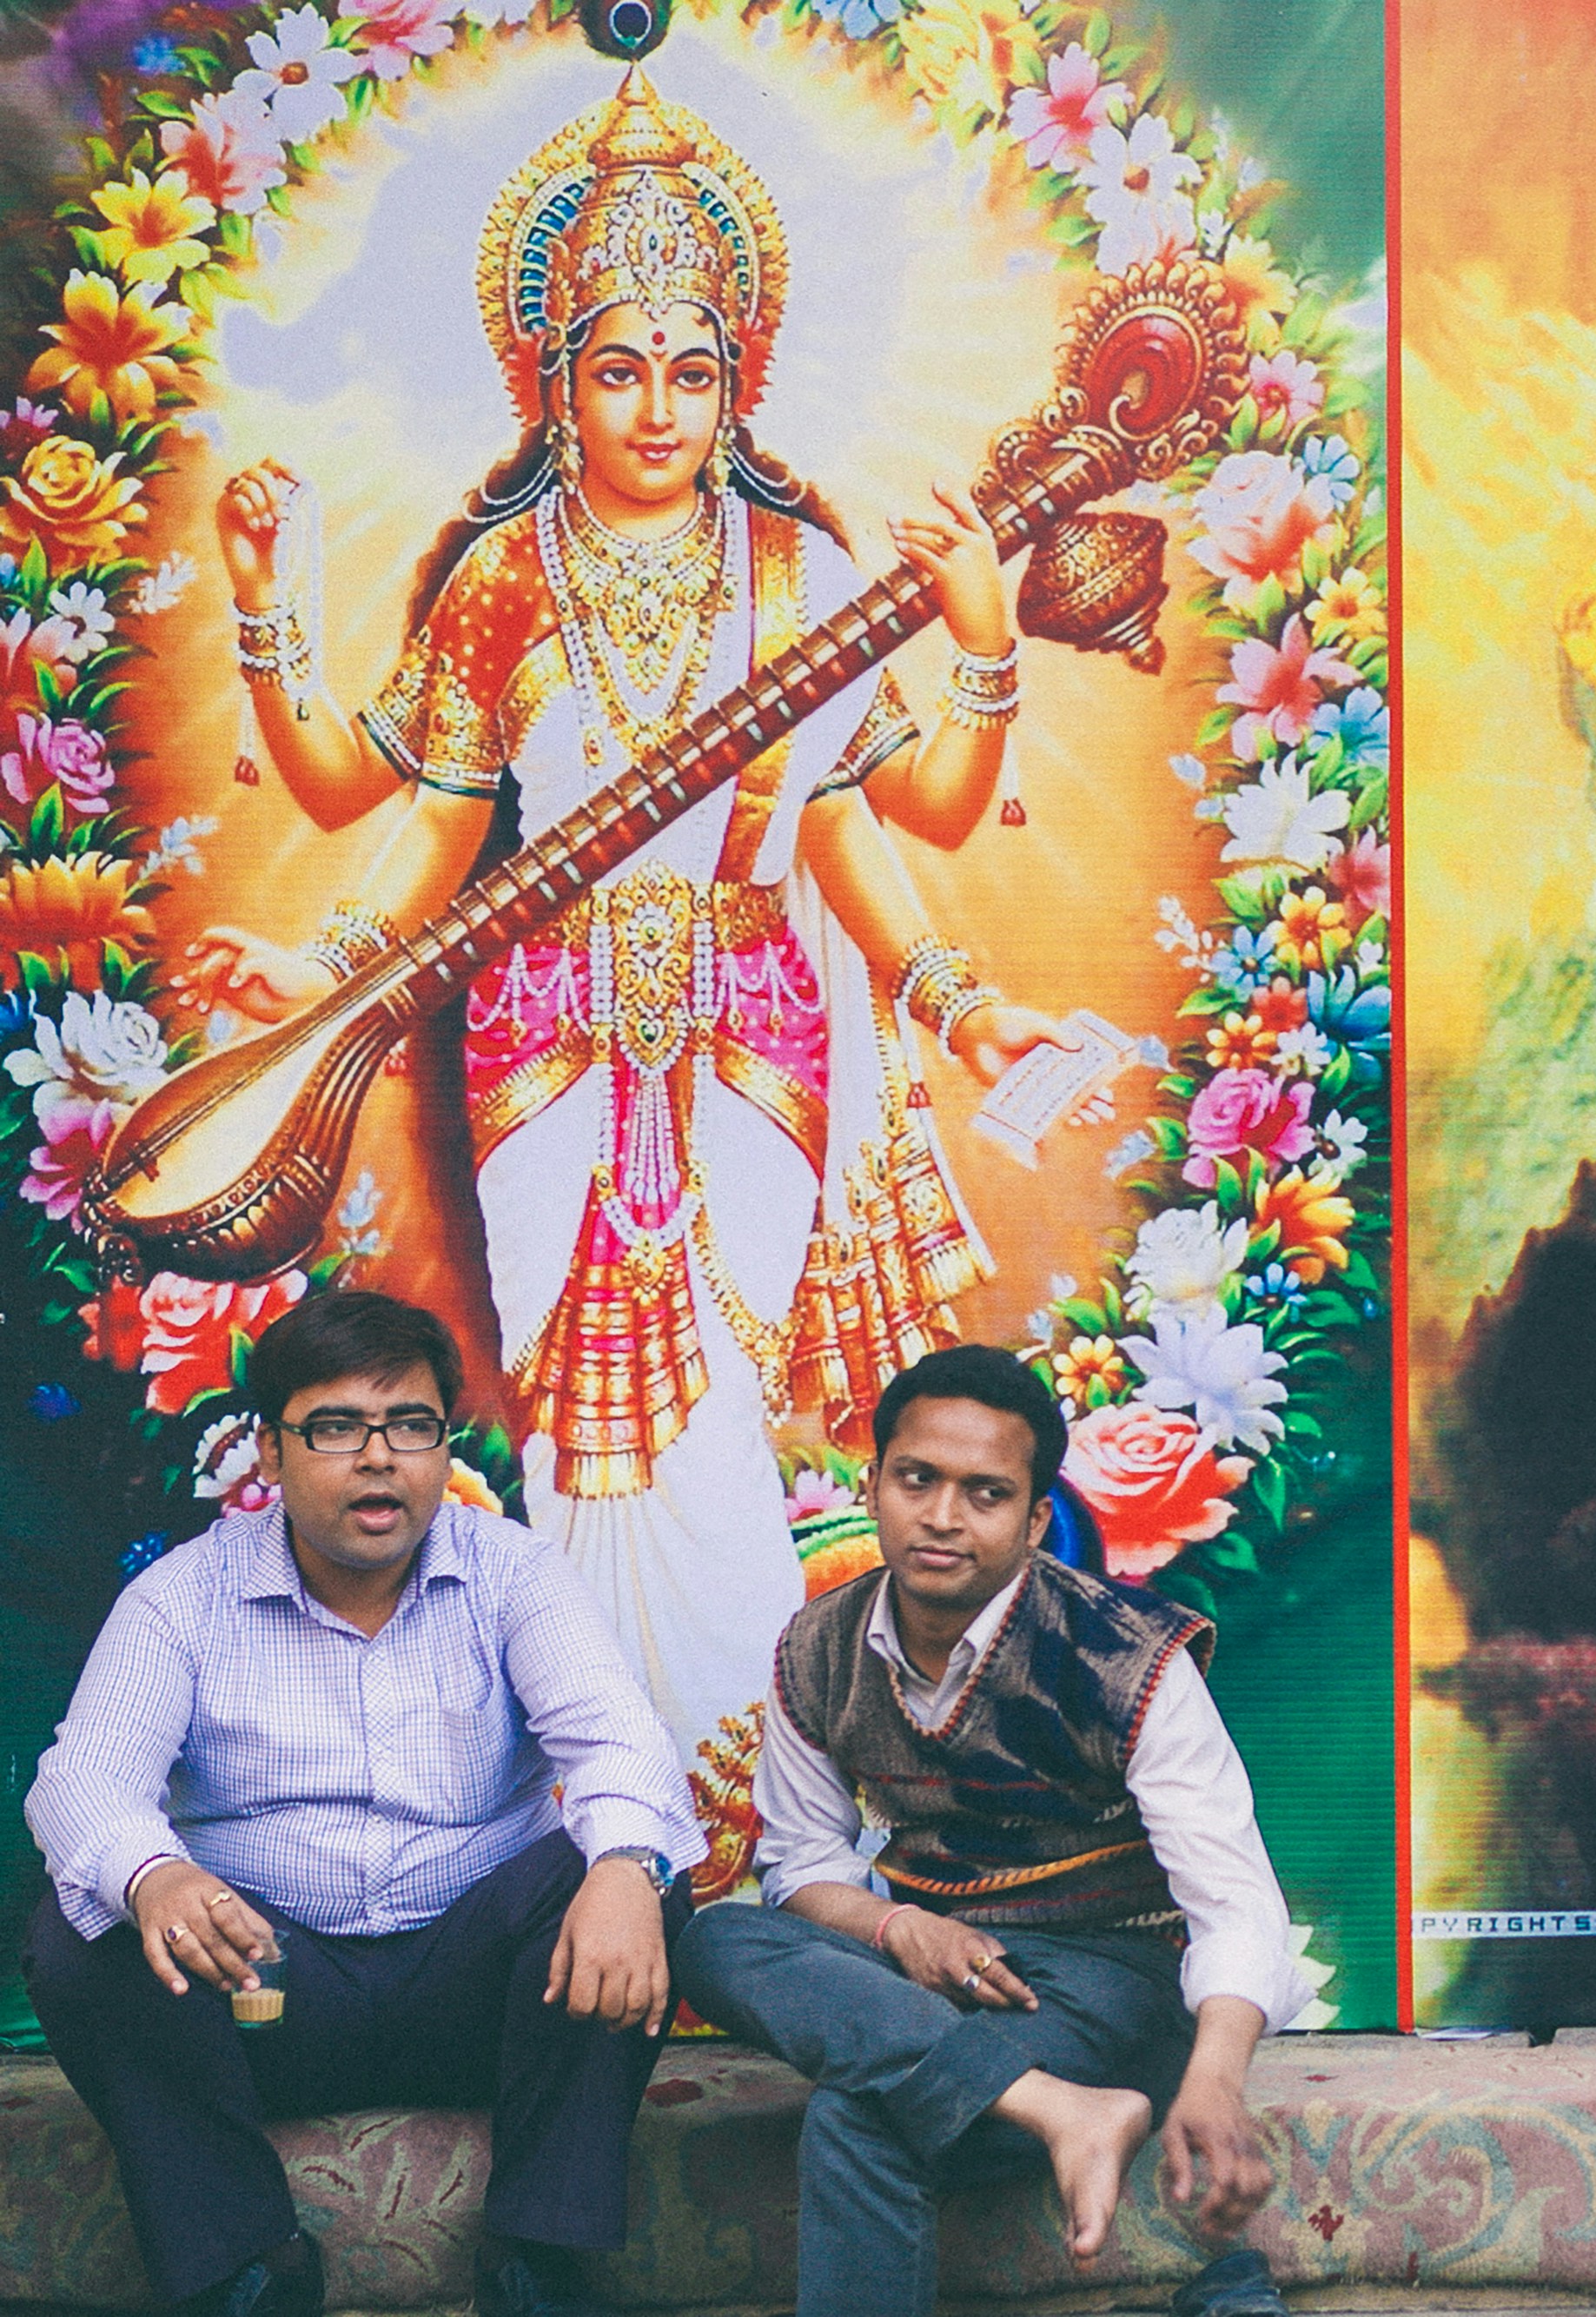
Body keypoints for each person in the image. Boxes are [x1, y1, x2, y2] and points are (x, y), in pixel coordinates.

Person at [175, 66, 1089, 1844]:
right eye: (615, 368)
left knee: (713, 1430)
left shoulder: (803, 571)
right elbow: (425, 817)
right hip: (543, 1042)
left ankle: (762, 1832)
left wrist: (984, 655)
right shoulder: (509, 576)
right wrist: (327, 977)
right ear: (552, 378)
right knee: (579, 1440)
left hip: (750, 1033)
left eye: (690, 369)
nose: (656, 408)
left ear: (732, 374)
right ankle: (609, 1820)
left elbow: (894, 820)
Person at [22, 1288, 705, 2317]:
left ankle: (537, 2262)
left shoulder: (511, 1572)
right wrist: (154, 1875)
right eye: (337, 1426)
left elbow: (620, 1742)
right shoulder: (180, 1598)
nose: (379, 1456)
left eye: (411, 1426)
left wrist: (622, 1870)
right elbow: (82, 1779)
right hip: (267, 1998)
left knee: (631, 1870)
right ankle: (245, 2269)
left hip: (478, 1997)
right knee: (85, 1924)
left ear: (441, 1445)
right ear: (271, 1448)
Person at [672, 1344, 1309, 2317]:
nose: (941, 1517)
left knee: (866, 2113)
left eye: (985, 1493)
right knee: (715, 1934)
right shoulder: (818, 1646)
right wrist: (899, 1931)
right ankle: (1057, 2112)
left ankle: (1071, 2095)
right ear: (872, 1481)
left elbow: (1233, 1904)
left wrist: (1216, 2077)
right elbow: (801, 1859)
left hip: (1106, 1970)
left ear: (1034, 1517)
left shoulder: (1128, 1658)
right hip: (928, 1965)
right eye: (917, 1479)